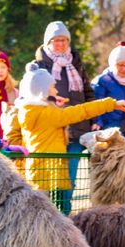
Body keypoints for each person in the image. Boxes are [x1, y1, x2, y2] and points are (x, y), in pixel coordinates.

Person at [10, 63, 125, 214]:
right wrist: (111, 104)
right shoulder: (47, 114)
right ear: (42, 91)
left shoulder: (29, 110)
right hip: (50, 172)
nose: (55, 90)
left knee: (39, 211)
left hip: (38, 170)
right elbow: (80, 111)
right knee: (57, 211)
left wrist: (53, 105)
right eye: (52, 87)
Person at [32, 21, 97, 214]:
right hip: (51, 131)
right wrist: (52, 100)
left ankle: (65, 220)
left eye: (64, 40)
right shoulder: (38, 65)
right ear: (48, 42)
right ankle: (48, 220)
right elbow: (33, 95)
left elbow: (88, 93)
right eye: (56, 40)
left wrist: (94, 120)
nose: (60, 44)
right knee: (48, 181)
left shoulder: (76, 64)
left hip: (77, 129)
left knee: (69, 181)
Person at [91, 41, 125, 133]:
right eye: (120, 65)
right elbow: (96, 103)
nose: (124, 69)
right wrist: (98, 122)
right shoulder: (103, 81)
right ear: (113, 64)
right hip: (108, 126)